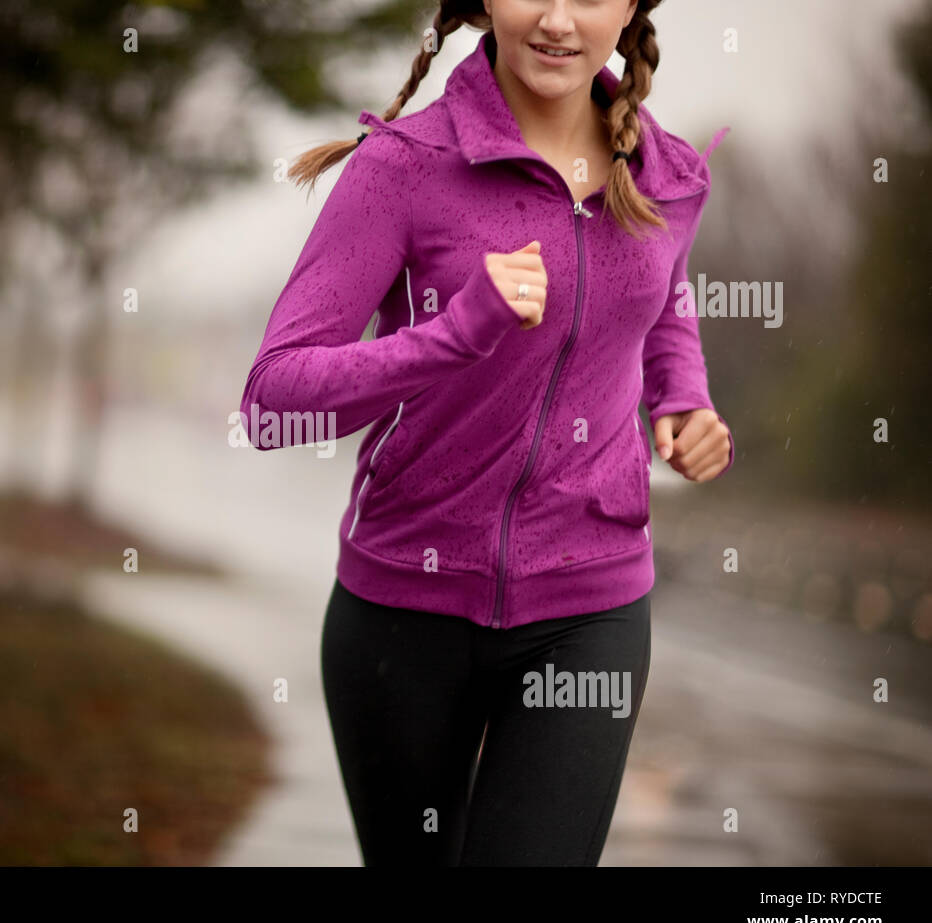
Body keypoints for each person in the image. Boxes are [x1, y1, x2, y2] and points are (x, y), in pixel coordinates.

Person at [238, 0, 733, 865]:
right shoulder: (404, 168)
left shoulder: (666, 171)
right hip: (403, 612)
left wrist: (684, 399)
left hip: (590, 608)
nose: (555, 17)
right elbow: (273, 401)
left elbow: (659, 300)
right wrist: (454, 332)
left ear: (632, 8)